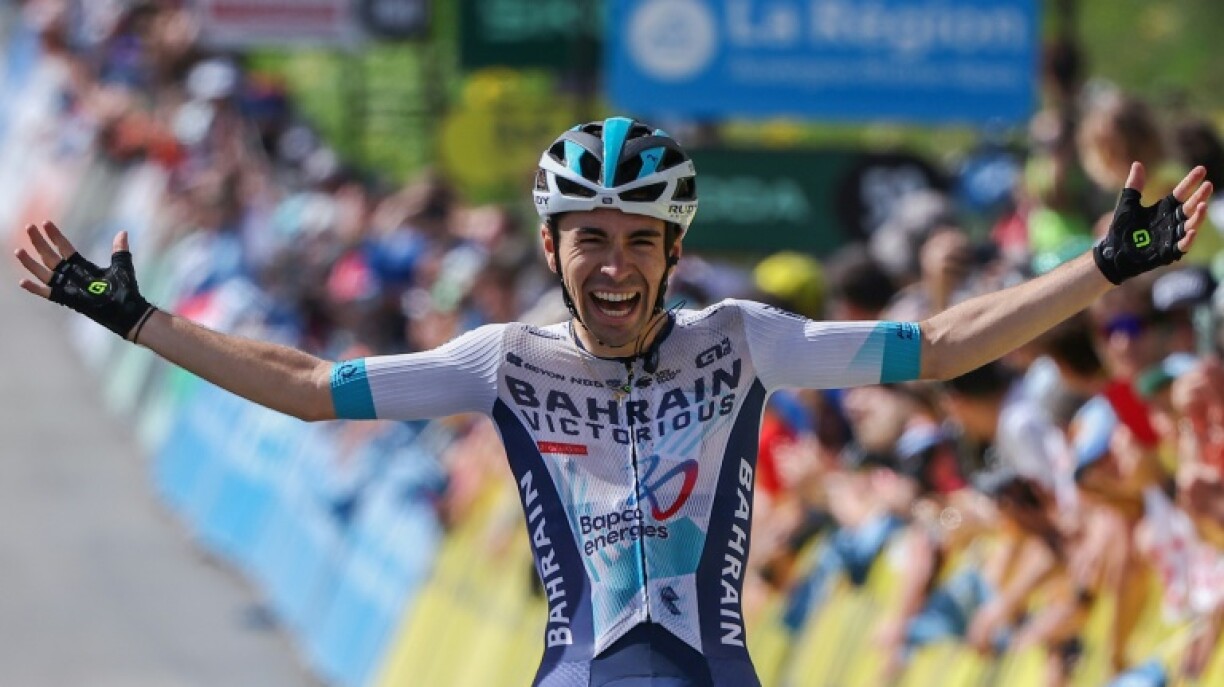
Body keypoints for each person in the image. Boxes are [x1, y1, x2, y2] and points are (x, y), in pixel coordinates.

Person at [13, 116, 1213, 687]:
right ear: (552, 246)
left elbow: (943, 345)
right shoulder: (505, 362)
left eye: (640, 240)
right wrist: (137, 318)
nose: (614, 264)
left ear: (675, 252)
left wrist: (1102, 269)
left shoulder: (745, 344)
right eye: (590, 238)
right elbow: (315, 392)